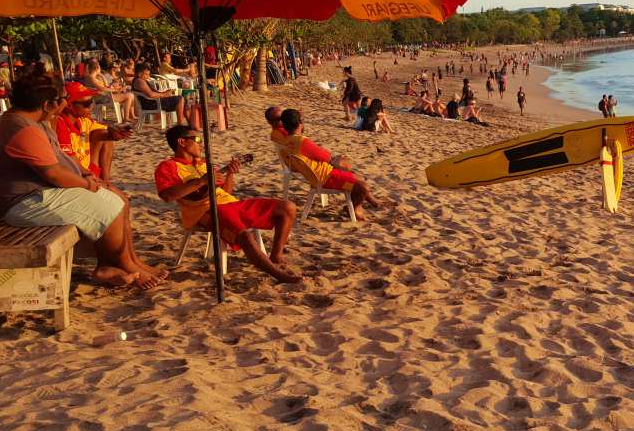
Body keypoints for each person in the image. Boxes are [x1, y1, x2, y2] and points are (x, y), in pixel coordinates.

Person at [0, 73, 164, 289]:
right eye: (61, 99)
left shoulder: (35, 122)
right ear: (46, 104)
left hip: (41, 193)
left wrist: (88, 175)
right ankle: (125, 265)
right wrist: (89, 185)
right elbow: (54, 174)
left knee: (120, 200)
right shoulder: (23, 130)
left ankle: (127, 262)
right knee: (111, 207)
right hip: (25, 202)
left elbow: (63, 156)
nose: (64, 102)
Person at [156, 125, 299, 283]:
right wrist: (201, 182)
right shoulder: (168, 166)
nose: (201, 143)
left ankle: (276, 255)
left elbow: (226, 192)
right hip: (204, 211)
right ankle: (277, 273)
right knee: (245, 235)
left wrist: (230, 174)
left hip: (230, 203)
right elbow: (168, 196)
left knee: (287, 207)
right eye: (196, 139)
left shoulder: (204, 164)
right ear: (182, 142)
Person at [277, 109, 392, 221]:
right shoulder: (302, 141)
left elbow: (295, 166)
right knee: (362, 186)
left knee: (358, 178)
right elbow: (327, 156)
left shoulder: (286, 142)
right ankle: (357, 208)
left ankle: (369, 203)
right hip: (325, 178)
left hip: (316, 175)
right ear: (300, 124)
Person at [54, 82, 132, 181]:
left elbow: (106, 128)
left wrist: (114, 133)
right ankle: (105, 184)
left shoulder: (83, 121)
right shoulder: (61, 124)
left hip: (88, 169)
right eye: (87, 104)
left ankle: (106, 181)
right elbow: (69, 161)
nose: (91, 106)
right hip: (77, 175)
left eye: (92, 101)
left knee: (104, 135)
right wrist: (89, 176)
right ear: (69, 106)